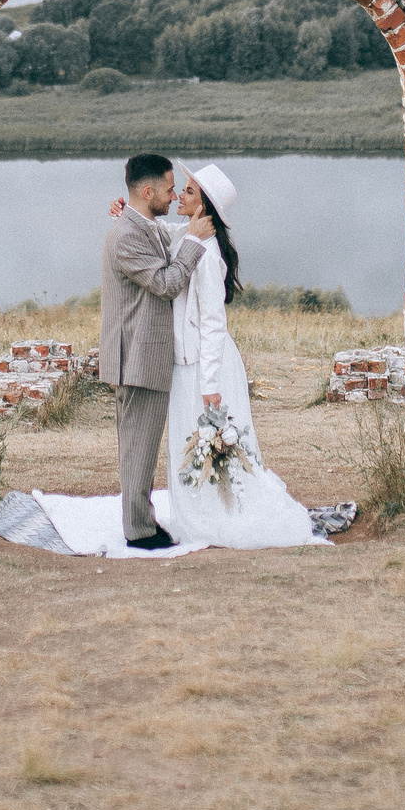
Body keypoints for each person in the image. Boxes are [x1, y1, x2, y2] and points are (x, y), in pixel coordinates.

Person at [160, 165, 327, 550]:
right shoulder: (190, 236)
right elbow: (164, 234)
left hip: (206, 366)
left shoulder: (206, 252)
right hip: (188, 365)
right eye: (181, 190)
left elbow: (214, 324)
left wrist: (210, 385)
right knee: (193, 444)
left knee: (212, 443)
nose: (178, 197)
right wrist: (125, 215)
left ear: (204, 206)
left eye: (187, 192)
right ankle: (202, 512)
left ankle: (222, 516)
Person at [99, 154, 211, 550]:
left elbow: (169, 236)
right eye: (169, 189)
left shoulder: (141, 224)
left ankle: (141, 520)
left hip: (142, 354)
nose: (175, 194)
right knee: (137, 447)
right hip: (137, 357)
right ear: (148, 193)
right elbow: (166, 283)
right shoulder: (128, 235)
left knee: (139, 445)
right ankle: (139, 532)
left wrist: (197, 225)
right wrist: (197, 242)